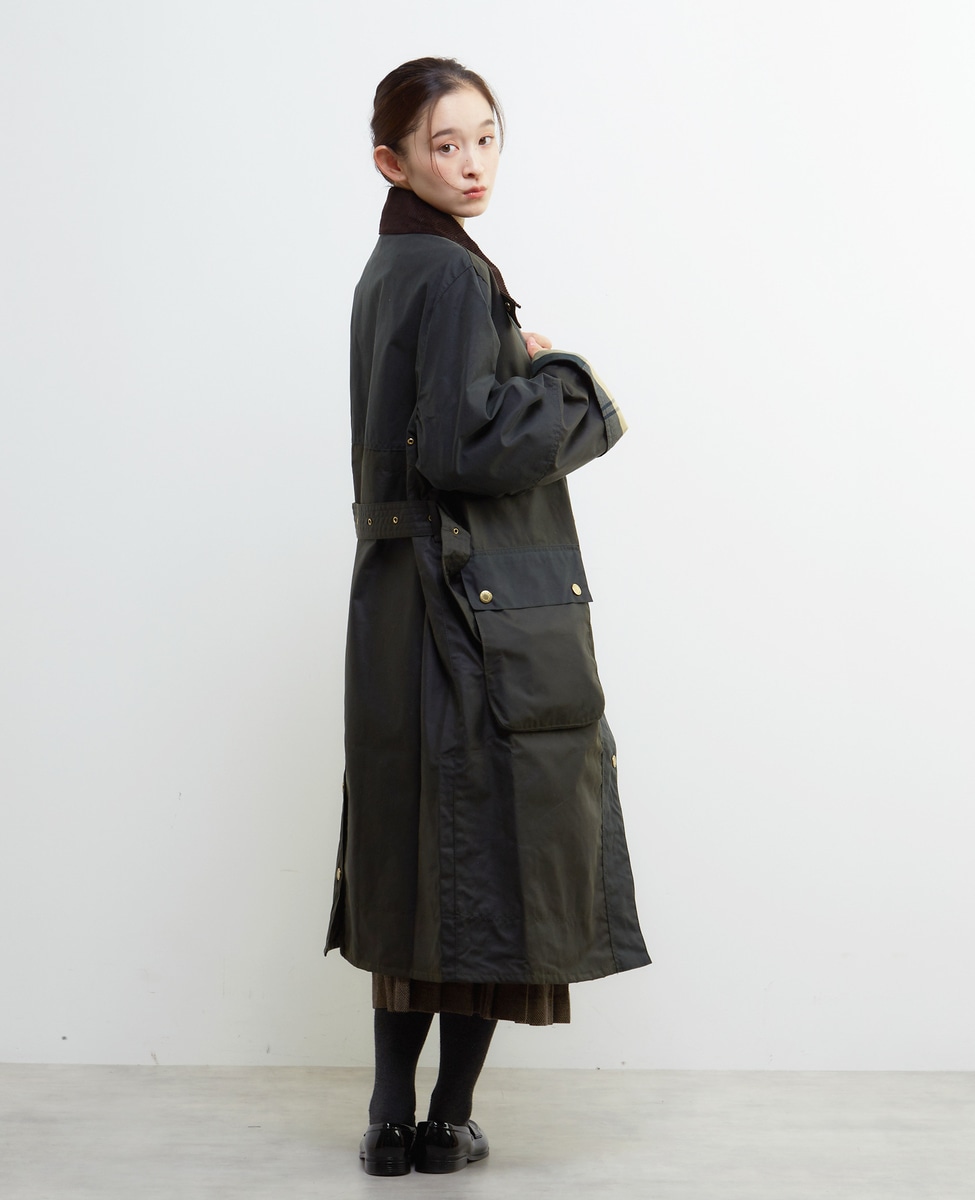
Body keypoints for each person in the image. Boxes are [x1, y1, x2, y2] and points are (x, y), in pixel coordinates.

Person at [324, 57, 650, 1176]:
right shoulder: (456, 275)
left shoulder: (390, 266)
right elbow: (467, 446)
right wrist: (568, 382)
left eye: (485, 138)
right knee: (495, 859)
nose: (471, 164)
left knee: (418, 857)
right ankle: (446, 1117)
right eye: (444, 145)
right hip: (470, 606)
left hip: (399, 602)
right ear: (392, 161)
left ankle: (389, 1121)